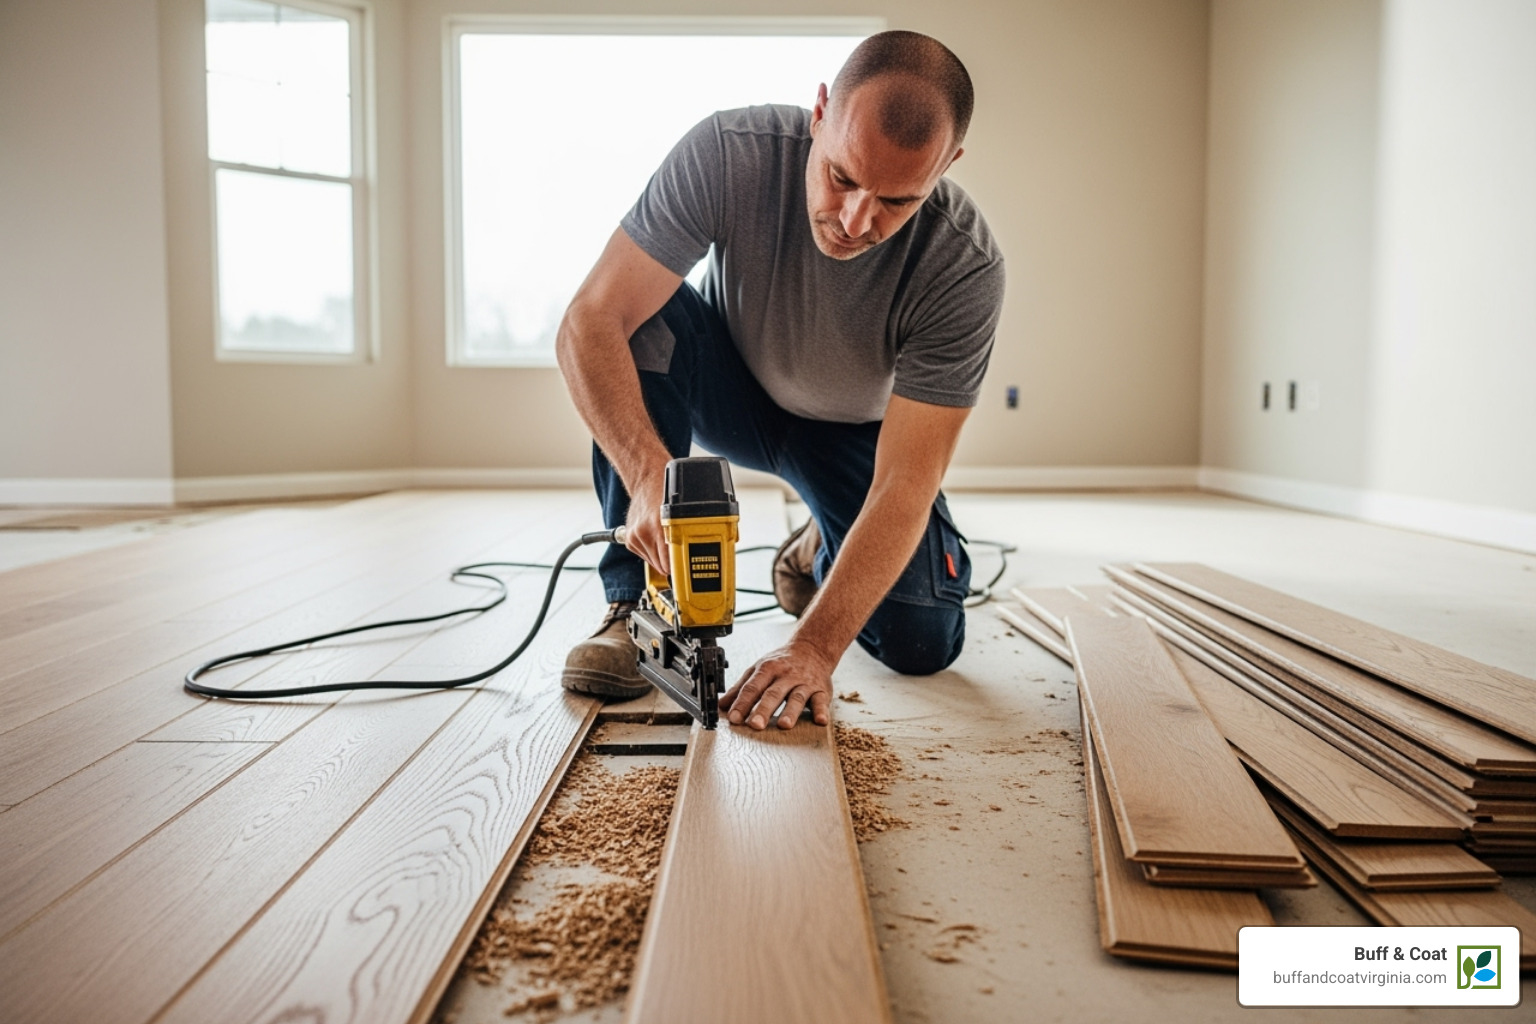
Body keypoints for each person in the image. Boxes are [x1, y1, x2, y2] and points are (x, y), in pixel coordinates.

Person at [556, 30, 1005, 731]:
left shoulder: (964, 265)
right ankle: (634, 606)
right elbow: (589, 320)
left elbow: (906, 482)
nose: (857, 221)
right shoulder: (730, 152)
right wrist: (649, 478)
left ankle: (820, 548)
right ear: (819, 112)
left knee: (923, 639)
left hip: (852, 433)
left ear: (947, 165)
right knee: (639, 317)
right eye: (843, 178)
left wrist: (814, 649)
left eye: (897, 201)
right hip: (731, 391)